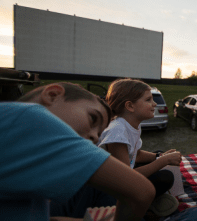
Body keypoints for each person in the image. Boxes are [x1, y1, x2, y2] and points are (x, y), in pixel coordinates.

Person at [0, 82, 155, 221]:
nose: (94, 137)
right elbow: (141, 191)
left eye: (98, 134)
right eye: (93, 118)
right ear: (53, 95)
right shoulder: (30, 117)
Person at [97, 78, 181, 217]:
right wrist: (163, 161)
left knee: (160, 156)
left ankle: (149, 200)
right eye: (148, 100)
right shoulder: (117, 130)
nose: (154, 104)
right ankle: (144, 206)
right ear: (130, 106)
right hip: (111, 188)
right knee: (165, 177)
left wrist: (160, 156)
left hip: (125, 174)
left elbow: (137, 154)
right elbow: (125, 177)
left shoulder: (132, 124)